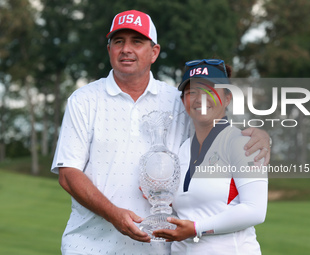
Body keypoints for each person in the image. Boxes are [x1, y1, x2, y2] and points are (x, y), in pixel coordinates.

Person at [51, 10, 271, 255]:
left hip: (157, 249)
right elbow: (68, 174)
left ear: (154, 52)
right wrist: (114, 215)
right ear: (109, 49)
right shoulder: (84, 100)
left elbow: (213, 123)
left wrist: (258, 136)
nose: (126, 49)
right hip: (90, 245)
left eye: (137, 41)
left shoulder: (175, 100)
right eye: (118, 41)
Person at [153, 59, 268, 255]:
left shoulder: (243, 143)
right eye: (192, 92)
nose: (200, 99)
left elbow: (255, 210)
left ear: (227, 98)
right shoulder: (182, 149)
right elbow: (190, 207)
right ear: (183, 101)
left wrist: (196, 228)